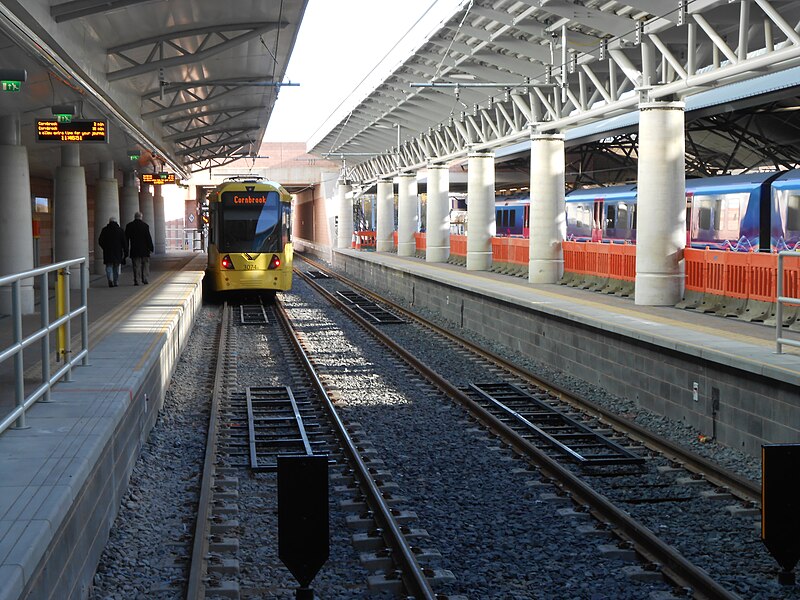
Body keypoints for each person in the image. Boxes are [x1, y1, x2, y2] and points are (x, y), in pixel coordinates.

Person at [125, 211, 154, 286]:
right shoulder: (145, 226)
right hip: (145, 249)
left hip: (134, 249)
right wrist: (151, 248)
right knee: (145, 265)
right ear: (141, 217)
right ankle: (145, 279)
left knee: (136, 265)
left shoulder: (129, 226)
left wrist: (126, 249)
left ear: (134, 217)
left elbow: (126, 239)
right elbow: (148, 238)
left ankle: (137, 280)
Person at [98, 216, 126, 287]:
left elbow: (100, 241)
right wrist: (125, 251)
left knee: (109, 266)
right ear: (116, 222)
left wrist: (104, 247)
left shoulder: (104, 230)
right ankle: (115, 281)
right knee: (116, 267)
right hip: (117, 251)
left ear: (109, 222)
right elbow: (124, 242)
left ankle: (110, 279)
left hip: (108, 251)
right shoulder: (120, 230)